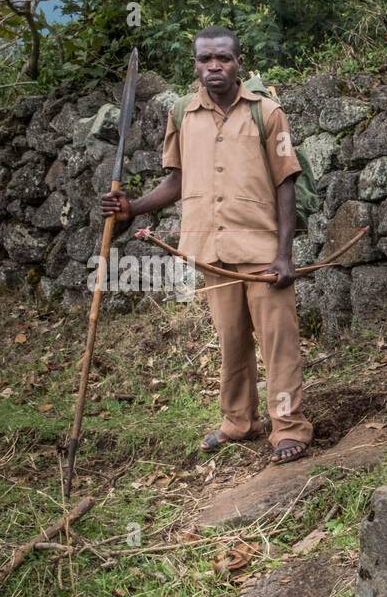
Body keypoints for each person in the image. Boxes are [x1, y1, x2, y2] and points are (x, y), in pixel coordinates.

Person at [100, 25, 313, 464]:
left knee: (279, 344)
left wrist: (284, 254)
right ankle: (239, 422)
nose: (214, 67)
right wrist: (132, 208)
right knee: (231, 340)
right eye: (205, 60)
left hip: (261, 252)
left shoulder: (267, 113)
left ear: (238, 62)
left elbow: (286, 181)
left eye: (223, 59)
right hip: (211, 252)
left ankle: (288, 428)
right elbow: (177, 180)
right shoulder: (182, 114)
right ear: (195, 64)